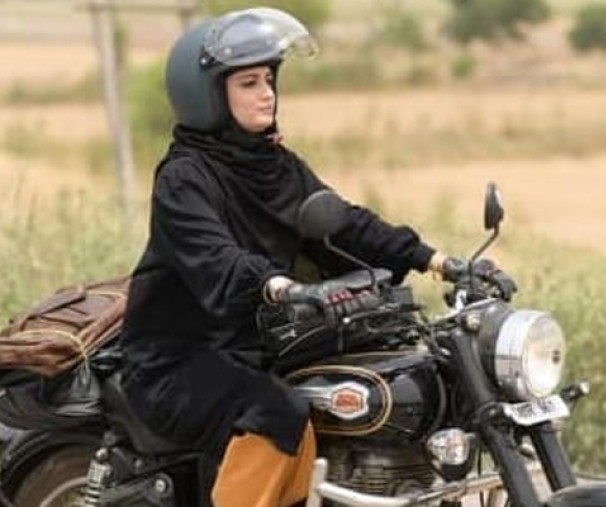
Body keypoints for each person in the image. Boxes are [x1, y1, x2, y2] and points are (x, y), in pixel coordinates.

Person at [120, 7, 474, 507]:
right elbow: (217, 259)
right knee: (278, 412)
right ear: (207, 96)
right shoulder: (184, 178)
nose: (266, 92)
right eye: (248, 83)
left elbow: (345, 225)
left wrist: (437, 261)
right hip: (176, 360)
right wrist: (280, 286)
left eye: (268, 79)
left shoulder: (275, 166)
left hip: (258, 347)